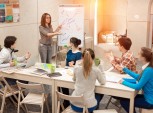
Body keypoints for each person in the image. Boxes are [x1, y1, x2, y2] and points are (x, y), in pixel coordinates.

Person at [118, 47, 153, 113]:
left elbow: (138, 86)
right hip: (149, 98)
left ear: (143, 58)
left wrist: (123, 82)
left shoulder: (148, 70)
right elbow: (138, 77)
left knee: (124, 101)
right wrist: (125, 69)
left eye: (139, 54)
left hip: (150, 102)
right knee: (126, 99)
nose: (137, 55)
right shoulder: (148, 67)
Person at [61, 37, 82, 108]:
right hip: (66, 70)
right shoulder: (69, 51)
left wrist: (73, 65)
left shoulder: (79, 54)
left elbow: (79, 67)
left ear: (72, 44)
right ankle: (66, 100)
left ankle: (72, 100)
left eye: (69, 42)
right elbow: (65, 60)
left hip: (74, 72)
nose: (68, 43)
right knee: (61, 82)